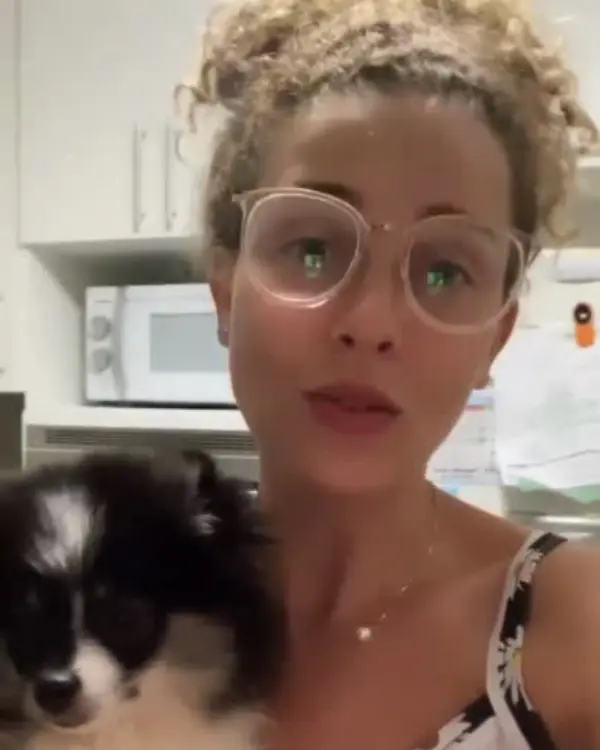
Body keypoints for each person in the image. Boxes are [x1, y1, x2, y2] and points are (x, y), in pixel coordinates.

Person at [176, 0, 600, 747]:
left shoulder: (573, 630)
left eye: (445, 271)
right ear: (225, 292)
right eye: (313, 249)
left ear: (495, 338)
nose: (371, 323)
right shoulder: (113, 608)